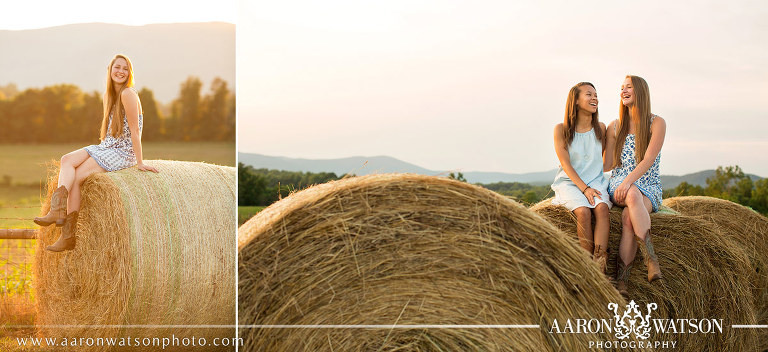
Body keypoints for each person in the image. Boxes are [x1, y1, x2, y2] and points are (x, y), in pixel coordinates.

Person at [34, 54, 159, 252]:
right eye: (117, 67)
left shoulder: (128, 94)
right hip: (108, 146)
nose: (120, 71)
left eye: (125, 68)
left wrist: (140, 161)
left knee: (76, 179)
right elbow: (110, 129)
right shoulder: (109, 95)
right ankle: (57, 211)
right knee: (67, 160)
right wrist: (100, 147)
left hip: (123, 151)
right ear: (110, 70)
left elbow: (135, 130)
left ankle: (68, 235)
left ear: (129, 73)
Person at [604, 75, 666, 296]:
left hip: (648, 185)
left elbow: (649, 159)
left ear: (640, 91)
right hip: (619, 186)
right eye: (621, 88)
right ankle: (651, 259)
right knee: (631, 194)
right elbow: (608, 165)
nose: (623, 90)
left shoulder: (656, 123)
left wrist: (629, 182)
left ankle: (622, 283)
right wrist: (599, 140)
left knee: (628, 218)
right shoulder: (614, 126)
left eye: (628, 87)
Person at [551, 82, 612, 273]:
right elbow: (566, 165)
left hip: (595, 180)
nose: (595, 98)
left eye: (596, 95)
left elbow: (605, 162)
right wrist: (584, 189)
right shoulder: (561, 129)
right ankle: (588, 270)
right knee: (584, 212)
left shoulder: (600, 128)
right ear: (576, 101)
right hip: (570, 182)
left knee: (602, 208)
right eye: (589, 94)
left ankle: (600, 264)